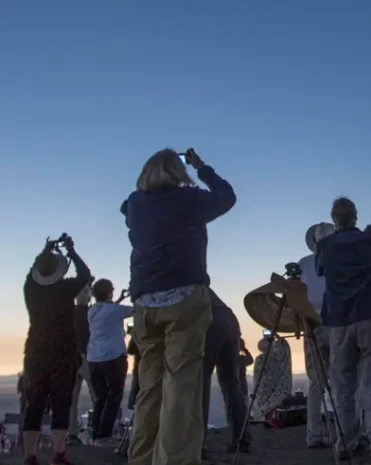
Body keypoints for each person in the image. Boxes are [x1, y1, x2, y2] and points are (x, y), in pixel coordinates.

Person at [121, 147, 236, 465]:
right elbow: (226, 197)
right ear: (177, 171)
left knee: (150, 388)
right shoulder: (190, 199)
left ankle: (141, 458)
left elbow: (124, 210)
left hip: (144, 302)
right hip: (185, 297)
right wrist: (202, 168)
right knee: (180, 387)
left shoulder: (135, 203)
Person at [316, 196, 371, 460]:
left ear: (333, 220)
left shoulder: (326, 245)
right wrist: (368, 230)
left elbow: (321, 270)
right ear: (355, 216)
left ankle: (347, 442)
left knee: (343, 384)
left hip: (338, 322)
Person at [22, 235, 91, 465]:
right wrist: (71, 250)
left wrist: (44, 251)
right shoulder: (65, 288)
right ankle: (59, 454)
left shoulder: (29, 288)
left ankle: (30, 456)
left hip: (34, 353)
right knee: (62, 403)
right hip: (62, 353)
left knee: (34, 405)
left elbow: (34, 271)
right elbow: (85, 274)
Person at [299, 222, 335, 449]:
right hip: (336, 323)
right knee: (342, 379)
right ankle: (346, 433)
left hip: (310, 324)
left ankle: (313, 435)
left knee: (315, 383)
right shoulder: (340, 260)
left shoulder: (303, 264)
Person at [202, 289, 250, 455]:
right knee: (231, 382)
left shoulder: (176, 281)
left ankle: (196, 444)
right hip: (229, 320)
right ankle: (241, 439)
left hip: (209, 319)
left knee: (201, 382)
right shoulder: (196, 278)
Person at [87, 279, 133, 444]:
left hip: (94, 361)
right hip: (113, 360)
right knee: (113, 398)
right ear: (109, 293)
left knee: (100, 399)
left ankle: (95, 434)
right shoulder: (114, 310)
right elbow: (135, 310)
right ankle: (104, 435)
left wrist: (119, 299)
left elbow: (108, 311)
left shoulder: (92, 311)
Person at [68, 284, 94, 444]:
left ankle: (72, 433)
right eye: (85, 291)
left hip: (73, 357)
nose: (88, 295)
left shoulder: (68, 312)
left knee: (72, 398)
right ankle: (98, 430)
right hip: (85, 356)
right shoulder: (87, 313)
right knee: (96, 395)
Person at [251, 335, 293, 423]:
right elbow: (285, 348)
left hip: (262, 388)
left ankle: (267, 421)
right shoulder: (278, 356)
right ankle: (272, 421)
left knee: (265, 408)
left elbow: (257, 376)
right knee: (272, 405)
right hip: (273, 386)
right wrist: (278, 337)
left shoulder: (260, 358)